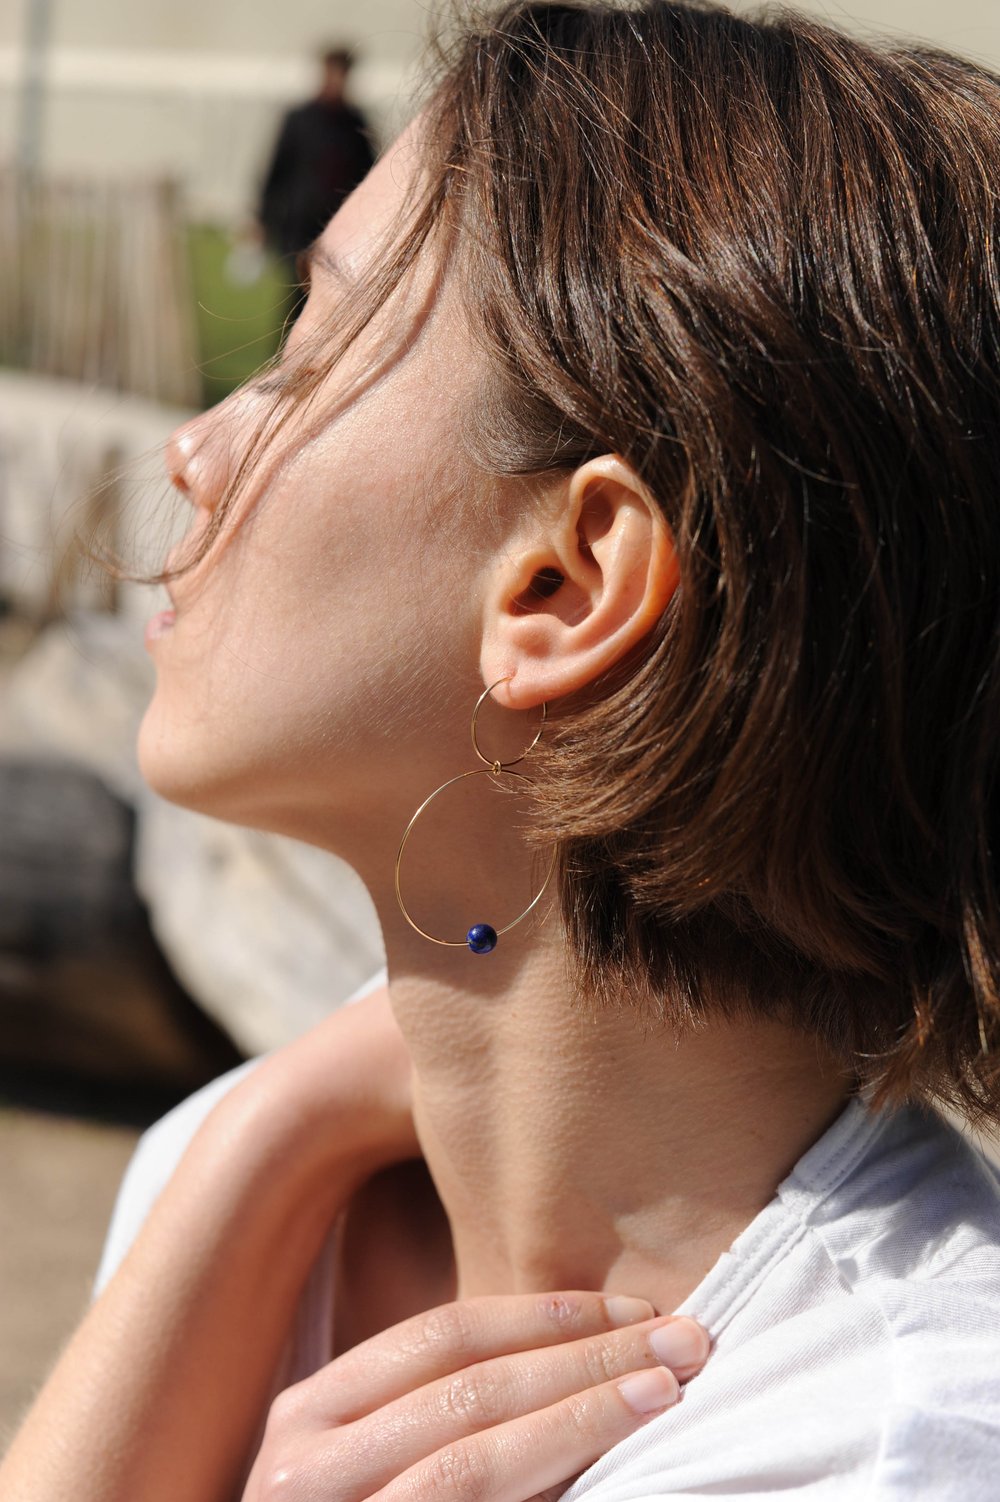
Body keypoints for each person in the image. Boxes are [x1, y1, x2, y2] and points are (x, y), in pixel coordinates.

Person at [3, 1, 1000, 1497]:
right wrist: (258, 1149)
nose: (191, 446)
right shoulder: (251, 1175)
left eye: (307, 350)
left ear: (566, 585)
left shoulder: (875, 1444)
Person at [257, 46, 375, 274]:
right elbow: (277, 170)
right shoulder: (300, 119)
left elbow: (368, 173)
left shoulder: (354, 122)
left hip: (339, 222)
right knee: (296, 293)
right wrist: (263, 218)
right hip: (300, 226)